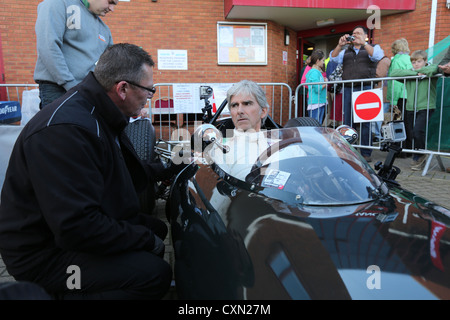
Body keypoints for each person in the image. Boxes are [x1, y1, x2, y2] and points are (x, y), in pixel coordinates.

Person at [0, 44, 181, 299]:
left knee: (156, 231)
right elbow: (76, 227)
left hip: (67, 232)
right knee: (154, 274)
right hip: (44, 256)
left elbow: (127, 171)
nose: (149, 97)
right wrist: (142, 240)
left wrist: (172, 166)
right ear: (123, 89)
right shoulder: (67, 130)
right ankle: (62, 293)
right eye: (149, 90)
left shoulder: (98, 112)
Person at [34, 0, 118, 108]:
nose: (112, 9)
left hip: (86, 93)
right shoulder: (58, 3)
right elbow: (48, 46)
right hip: (58, 90)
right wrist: (71, 85)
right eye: (110, 2)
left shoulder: (104, 29)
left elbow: (112, 65)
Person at [330, 25, 385, 162]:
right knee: (348, 121)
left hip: (366, 88)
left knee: (366, 121)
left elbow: (377, 56)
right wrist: (339, 45)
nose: (355, 35)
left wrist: (364, 44)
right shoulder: (346, 51)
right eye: (353, 33)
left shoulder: (372, 47)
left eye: (358, 33)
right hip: (349, 88)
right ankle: (349, 150)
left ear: (365, 36)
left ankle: (366, 152)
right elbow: (333, 58)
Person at [390, 50, 439, 171]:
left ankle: (419, 156)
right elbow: (393, 73)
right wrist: (413, 73)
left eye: (419, 61)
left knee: (418, 131)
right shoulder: (411, 73)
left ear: (425, 61)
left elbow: (434, 69)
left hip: (425, 106)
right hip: (411, 106)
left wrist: (418, 72)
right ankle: (419, 155)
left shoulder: (429, 69)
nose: (416, 64)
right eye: (413, 62)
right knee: (412, 133)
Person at [387, 38, 412, 151]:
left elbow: (396, 82)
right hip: (410, 94)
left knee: (399, 122)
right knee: (409, 123)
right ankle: (409, 149)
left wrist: (393, 100)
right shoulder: (410, 59)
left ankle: (400, 149)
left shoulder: (396, 60)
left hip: (400, 96)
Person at [305, 49, 328, 124]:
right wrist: (325, 83)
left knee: (317, 125)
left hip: (319, 101)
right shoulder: (314, 72)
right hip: (315, 102)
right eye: (323, 60)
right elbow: (317, 88)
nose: (323, 62)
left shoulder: (316, 72)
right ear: (318, 60)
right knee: (315, 125)